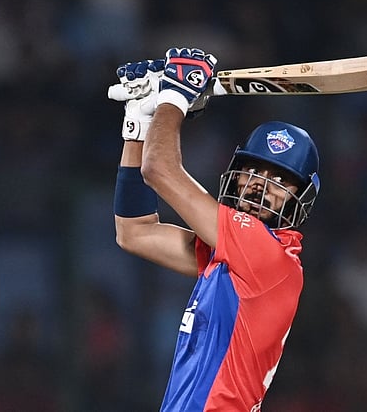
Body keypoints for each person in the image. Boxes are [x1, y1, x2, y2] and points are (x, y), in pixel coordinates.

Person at [107, 47, 321, 411]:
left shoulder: (268, 255)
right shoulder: (228, 257)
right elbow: (134, 231)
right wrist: (138, 125)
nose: (260, 183)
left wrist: (175, 95)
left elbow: (158, 170)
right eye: (255, 170)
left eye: (279, 179)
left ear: (298, 198)